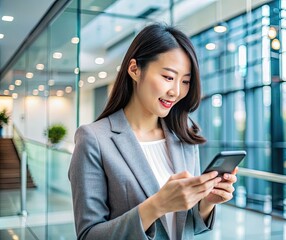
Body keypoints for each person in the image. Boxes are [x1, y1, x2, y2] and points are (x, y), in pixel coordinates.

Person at [68, 23, 238, 240]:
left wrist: (206, 203)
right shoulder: (94, 139)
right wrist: (156, 206)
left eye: (185, 81)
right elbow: (89, 235)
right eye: (168, 77)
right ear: (134, 69)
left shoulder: (184, 135)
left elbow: (186, 227)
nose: (175, 91)